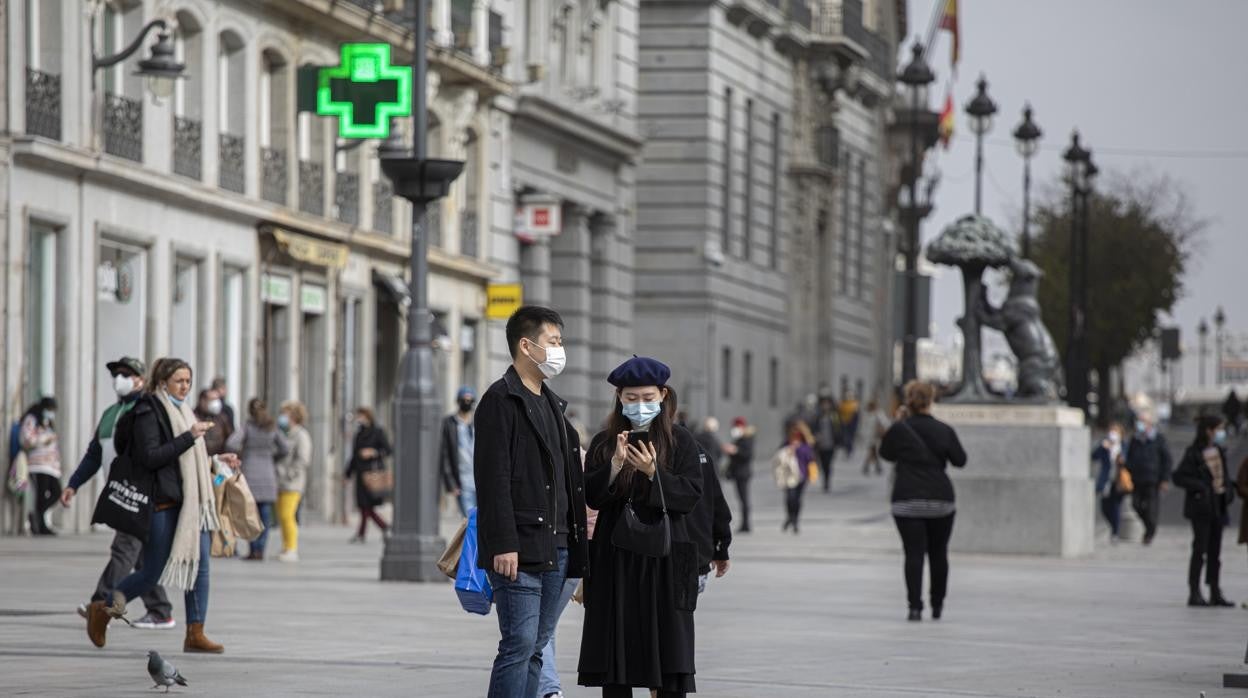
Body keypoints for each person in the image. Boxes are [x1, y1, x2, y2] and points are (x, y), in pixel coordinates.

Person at [85, 357, 238, 653]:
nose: (185, 386)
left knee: (201, 566)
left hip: (191, 504)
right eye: (179, 380)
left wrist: (216, 461)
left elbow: (188, 462)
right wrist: (189, 437)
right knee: (151, 574)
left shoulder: (185, 412)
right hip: (161, 502)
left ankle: (195, 632)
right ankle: (103, 608)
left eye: (188, 381)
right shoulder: (148, 410)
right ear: (162, 381)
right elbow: (151, 457)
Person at [474, 306, 589, 698]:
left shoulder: (554, 405)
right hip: (519, 547)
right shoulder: (501, 400)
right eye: (553, 342)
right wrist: (503, 542)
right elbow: (493, 480)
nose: (560, 350)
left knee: (538, 646)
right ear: (527, 345)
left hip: (556, 545)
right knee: (519, 643)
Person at [578, 356, 703, 698]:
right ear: (619, 397)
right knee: (616, 654)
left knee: (668, 654)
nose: (640, 405)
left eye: (647, 397)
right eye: (631, 398)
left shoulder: (681, 441)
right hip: (616, 559)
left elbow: (691, 496)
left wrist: (652, 474)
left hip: (665, 557)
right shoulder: (606, 442)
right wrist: (616, 466)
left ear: (662, 395)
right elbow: (591, 495)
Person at [62, 357, 175, 629]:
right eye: (116, 374)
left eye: (126, 374)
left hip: (142, 494)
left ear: (140, 379)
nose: (119, 379)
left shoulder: (147, 410)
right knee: (140, 556)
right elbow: (94, 455)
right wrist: (73, 484)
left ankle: (100, 603)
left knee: (125, 547)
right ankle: (160, 610)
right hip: (119, 492)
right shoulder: (111, 414)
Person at [879, 380, 967, 622]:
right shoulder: (944, 430)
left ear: (908, 400)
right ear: (931, 400)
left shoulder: (900, 429)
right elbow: (960, 460)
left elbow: (885, 454)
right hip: (940, 500)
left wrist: (898, 423)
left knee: (913, 554)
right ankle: (937, 604)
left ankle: (915, 607)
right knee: (939, 553)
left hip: (907, 500)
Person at [1173, 415, 1234, 607]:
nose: (1220, 433)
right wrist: (1201, 487)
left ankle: (1215, 590)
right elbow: (1179, 476)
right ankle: (1195, 591)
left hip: (1218, 505)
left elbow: (1223, 476)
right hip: (1201, 508)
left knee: (1215, 553)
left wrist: (1229, 491)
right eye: (1218, 429)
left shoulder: (1219, 451)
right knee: (1200, 549)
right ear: (1208, 430)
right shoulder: (1193, 453)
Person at [226, 398, 288, 560]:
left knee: (250, 515)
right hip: (268, 473)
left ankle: (253, 550)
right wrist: (272, 457)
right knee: (266, 515)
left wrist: (242, 454)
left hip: (250, 473)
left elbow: (231, 443)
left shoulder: (248, 427)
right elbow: (285, 448)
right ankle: (261, 549)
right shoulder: (272, 428)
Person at [687, 438, 732, 593]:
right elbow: (717, 503)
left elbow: (717, 504)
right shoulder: (698, 449)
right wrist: (721, 549)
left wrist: (721, 547)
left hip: (685, 554)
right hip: (696, 553)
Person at [344, 407, 392, 543]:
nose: (359, 418)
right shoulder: (358, 434)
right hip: (360, 474)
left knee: (367, 506)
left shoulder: (378, 432)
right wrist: (347, 473)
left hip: (373, 474)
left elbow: (388, 450)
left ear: (368, 416)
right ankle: (379, 528)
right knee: (364, 506)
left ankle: (377, 529)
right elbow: (354, 456)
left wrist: (373, 452)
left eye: (361, 415)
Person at [1124, 413, 1172, 545]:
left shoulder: (1158, 439)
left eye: (1143, 422)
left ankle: (1150, 532)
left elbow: (1167, 460)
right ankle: (1149, 527)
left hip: (1153, 479)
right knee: (1135, 504)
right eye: (1139, 422)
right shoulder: (1135, 439)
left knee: (1151, 509)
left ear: (1150, 424)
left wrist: (1165, 479)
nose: (1140, 425)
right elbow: (1129, 457)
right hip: (1137, 479)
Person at [275, 400, 311, 563]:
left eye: (285, 414)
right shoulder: (282, 433)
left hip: (293, 483)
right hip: (279, 481)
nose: (282, 417)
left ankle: (292, 548)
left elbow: (303, 459)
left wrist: (289, 474)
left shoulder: (301, 435)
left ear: (294, 417)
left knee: (287, 515)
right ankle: (285, 546)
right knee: (281, 516)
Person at [19, 396, 61, 535]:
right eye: (50, 409)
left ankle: (37, 517)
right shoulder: (31, 419)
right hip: (37, 464)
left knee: (56, 492)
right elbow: (27, 440)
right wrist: (45, 439)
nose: (51, 412)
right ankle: (41, 525)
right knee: (41, 495)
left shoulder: (48, 422)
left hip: (50, 466)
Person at [439, 386, 477, 517]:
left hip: (480, 480)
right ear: (458, 401)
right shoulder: (449, 423)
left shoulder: (478, 422)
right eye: (464, 400)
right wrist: (450, 482)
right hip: (462, 481)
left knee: (482, 522)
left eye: (470, 400)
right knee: (470, 519)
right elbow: (444, 455)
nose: (467, 403)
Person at [773, 421, 815, 534]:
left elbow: (810, 458)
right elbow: (779, 455)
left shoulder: (806, 444)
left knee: (798, 499)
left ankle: (795, 521)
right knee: (789, 498)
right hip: (789, 476)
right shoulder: (786, 443)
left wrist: (798, 448)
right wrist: (788, 450)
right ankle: (789, 517)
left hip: (802, 475)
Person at [1092, 423, 1129, 541]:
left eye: (1115, 431)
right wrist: (1103, 447)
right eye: (1111, 430)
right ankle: (1114, 527)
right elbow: (1093, 456)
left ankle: (1115, 532)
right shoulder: (1105, 446)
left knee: (1115, 506)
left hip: (1118, 481)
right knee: (1105, 507)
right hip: (1106, 481)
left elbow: (1129, 460)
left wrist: (1122, 459)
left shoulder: (1123, 446)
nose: (1113, 433)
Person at [725, 417, 755, 533]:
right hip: (738, 473)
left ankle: (746, 524)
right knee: (741, 499)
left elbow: (747, 455)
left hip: (743, 473)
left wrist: (735, 451)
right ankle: (744, 523)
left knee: (744, 499)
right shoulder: (739, 439)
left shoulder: (747, 439)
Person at [194, 388, 233, 456]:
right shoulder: (193, 417)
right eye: (212, 400)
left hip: (219, 459)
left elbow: (230, 440)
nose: (216, 403)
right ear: (202, 401)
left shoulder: (222, 418)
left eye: (217, 399)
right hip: (201, 458)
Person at [811, 397, 839, 493]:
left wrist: (838, 441)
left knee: (828, 463)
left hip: (831, 444)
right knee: (822, 464)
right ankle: (824, 479)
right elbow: (813, 427)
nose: (825, 406)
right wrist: (816, 435)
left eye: (827, 404)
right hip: (820, 444)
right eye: (824, 404)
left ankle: (827, 482)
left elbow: (838, 428)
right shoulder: (818, 416)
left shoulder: (833, 416)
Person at [861, 399, 890, 476]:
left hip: (875, 436)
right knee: (874, 452)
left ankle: (866, 466)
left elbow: (885, 423)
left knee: (872, 451)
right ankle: (878, 467)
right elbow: (864, 426)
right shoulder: (867, 414)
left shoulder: (878, 413)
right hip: (869, 436)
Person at [838, 392, 861, 459]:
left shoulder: (854, 404)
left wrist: (854, 425)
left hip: (851, 425)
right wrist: (841, 422)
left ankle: (849, 450)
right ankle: (847, 450)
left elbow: (856, 416)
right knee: (846, 438)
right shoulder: (842, 404)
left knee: (850, 438)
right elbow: (839, 413)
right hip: (844, 424)